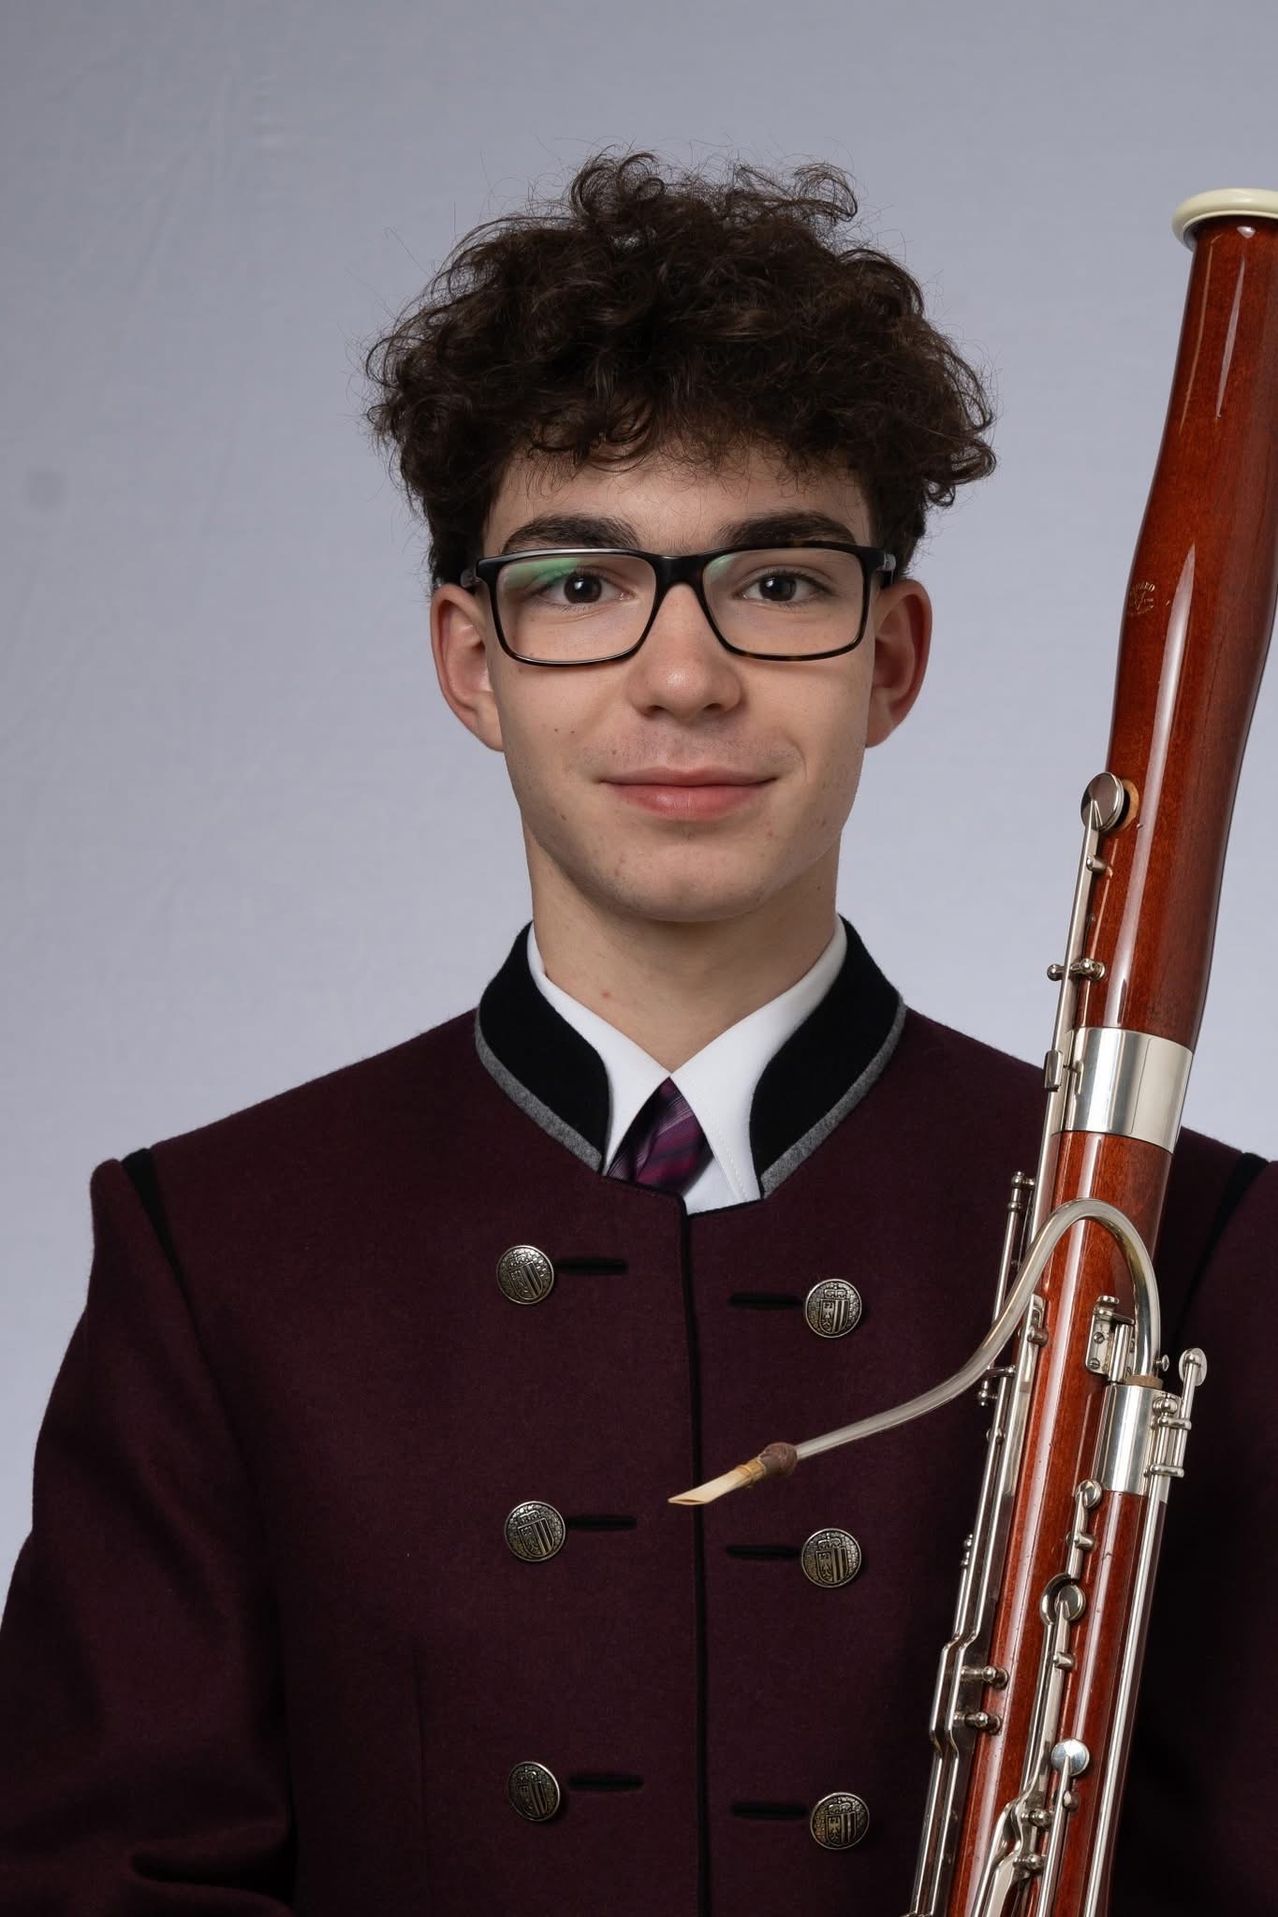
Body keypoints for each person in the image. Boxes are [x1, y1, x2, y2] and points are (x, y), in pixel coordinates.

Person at [0, 152, 1272, 1917]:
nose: (683, 677)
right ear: (472, 659)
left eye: (778, 580)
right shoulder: (213, 1250)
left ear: (891, 657)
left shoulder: (1185, 1248)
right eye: (584, 584)